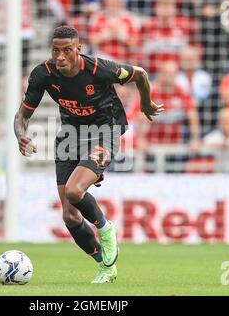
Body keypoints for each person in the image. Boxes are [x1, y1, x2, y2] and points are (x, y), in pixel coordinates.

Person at [14, 26, 163, 283]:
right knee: (70, 215)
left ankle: (105, 228)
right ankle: (105, 266)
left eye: (67, 51)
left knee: (74, 191)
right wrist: (20, 134)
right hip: (70, 137)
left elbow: (140, 74)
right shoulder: (43, 74)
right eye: (56, 51)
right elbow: (22, 115)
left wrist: (147, 102)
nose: (60, 57)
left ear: (78, 49)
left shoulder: (99, 69)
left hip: (105, 132)